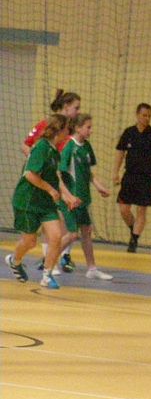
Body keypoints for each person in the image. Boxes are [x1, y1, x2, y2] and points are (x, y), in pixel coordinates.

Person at [5, 114, 81, 289]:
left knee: (56, 236)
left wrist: (68, 196)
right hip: (28, 201)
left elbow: (55, 177)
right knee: (30, 241)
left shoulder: (54, 151)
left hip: (45, 203)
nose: (69, 133)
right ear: (59, 130)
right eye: (67, 129)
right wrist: (50, 189)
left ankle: (47, 275)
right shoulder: (41, 147)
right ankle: (14, 260)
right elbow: (30, 175)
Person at [22, 89, 82, 273]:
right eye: (76, 108)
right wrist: (37, 160)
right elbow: (25, 144)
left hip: (61, 179)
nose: (78, 111)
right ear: (66, 106)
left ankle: (60, 258)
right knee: (49, 222)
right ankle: (46, 260)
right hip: (45, 179)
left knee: (64, 222)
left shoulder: (71, 133)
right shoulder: (46, 125)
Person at [57, 114, 114, 280]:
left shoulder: (86, 146)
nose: (91, 130)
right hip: (71, 199)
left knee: (86, 232)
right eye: (88, 127)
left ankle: (92, 268)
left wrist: (98, 186)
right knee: (72, 234)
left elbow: (88, 172)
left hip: (83, 198)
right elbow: (59, 173)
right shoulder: (69, 147)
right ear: (77, 128)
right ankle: (48, 261)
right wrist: (66, 196)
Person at [113, 103, 151, 253]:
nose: (147, 118)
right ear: (137, 115)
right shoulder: (128, 132)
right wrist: (115, 172)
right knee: (124, 209)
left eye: (149, 116)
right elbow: (120, 153)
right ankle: (133, 229)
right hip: (129, 175)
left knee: (141, 210)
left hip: (146, 177)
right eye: (144, 115)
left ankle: (134, 240)